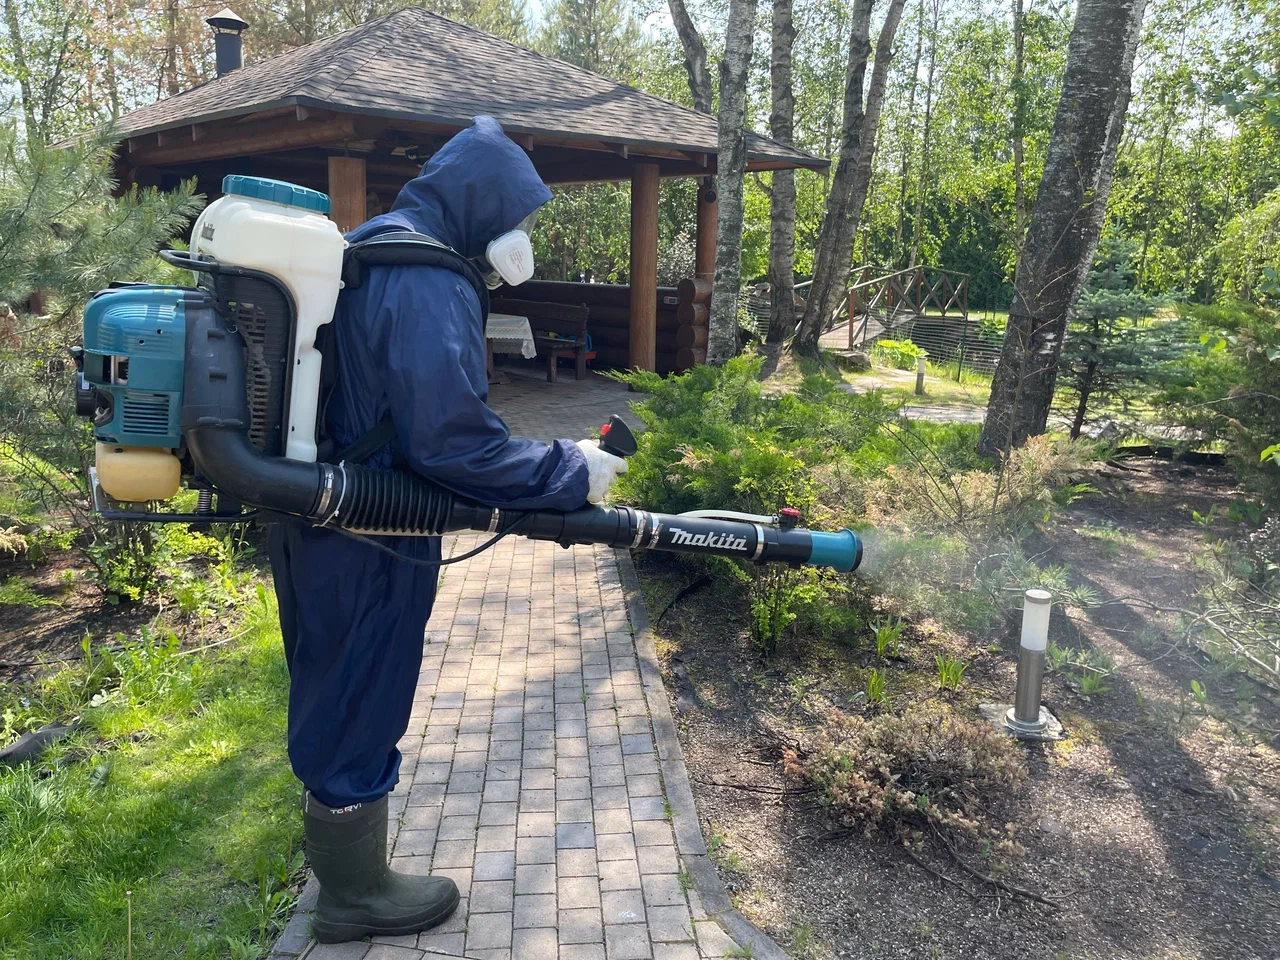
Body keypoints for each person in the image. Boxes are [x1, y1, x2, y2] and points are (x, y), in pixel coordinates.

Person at [267, 116, 628, 944]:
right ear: (482, 204)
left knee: (332, 681)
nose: (520, 233)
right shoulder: (427, 277)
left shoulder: (375, 247)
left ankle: (348, 875)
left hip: (324, 515)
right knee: (361, 688)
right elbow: (452, 442)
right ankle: (353, 896)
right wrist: (569, 469)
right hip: (373, 531)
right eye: (517, 215)